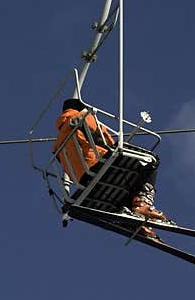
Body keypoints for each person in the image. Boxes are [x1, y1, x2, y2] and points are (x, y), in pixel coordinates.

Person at [53, 98, 169, 229]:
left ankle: (131, 219)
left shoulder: (57, 145)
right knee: (151, 160)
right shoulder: (82, 117)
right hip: (98, 165)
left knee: (119, 185)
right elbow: (104, 139)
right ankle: (142, 204)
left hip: (84, 180)